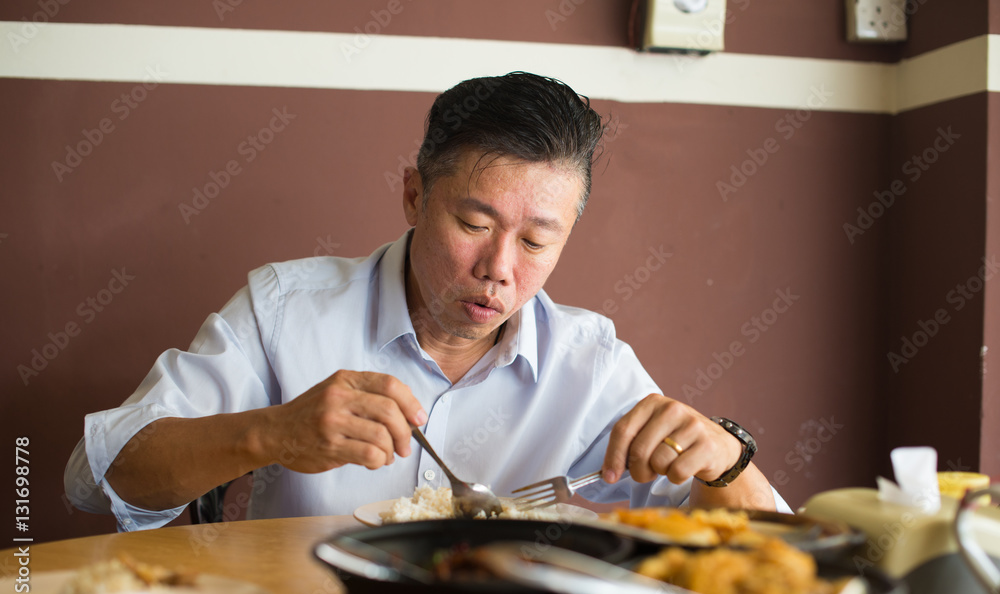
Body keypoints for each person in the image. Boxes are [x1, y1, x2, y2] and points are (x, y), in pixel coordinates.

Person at [65, 72, 785, 531]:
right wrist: (272, 435)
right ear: (414, 194)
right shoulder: (287, 307)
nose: (498, 270)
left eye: (538, 241)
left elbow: (775, 546)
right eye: (474, 225)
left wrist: (729, 461)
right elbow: (97, 477)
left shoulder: (590, 362)